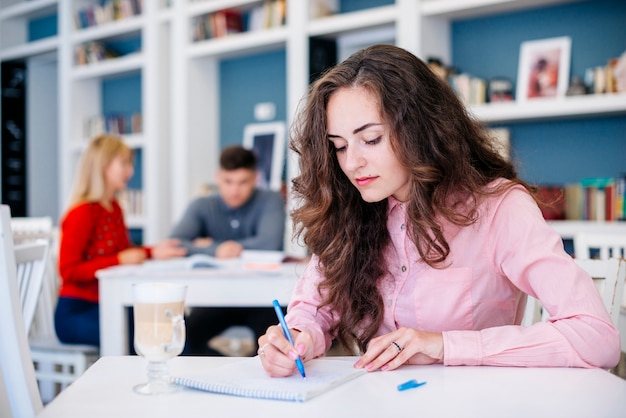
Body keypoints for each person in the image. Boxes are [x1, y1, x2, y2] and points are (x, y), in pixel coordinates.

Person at [257, 44, 620, 377]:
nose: (352, 163)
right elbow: (315, 309)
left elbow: (596, 336)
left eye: (371, 139)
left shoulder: (498, 208)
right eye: (338, 146)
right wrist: (299, 337)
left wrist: (442, 345)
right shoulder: (353, 208)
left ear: (419, 127)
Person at [55, 134, 186, 347]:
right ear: (103, 166)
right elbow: (68, 271)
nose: (131, 171)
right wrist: (119, 260)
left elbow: (123, 252)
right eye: (124, 163)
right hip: (77, 312)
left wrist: (152, 251)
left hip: (107, 305)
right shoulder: (81, 213)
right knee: (152, 333)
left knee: (166, 326)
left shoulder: (113, 208)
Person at [169, 145, 286, 355]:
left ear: (256, 177)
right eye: (228, 181)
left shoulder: (270, 200)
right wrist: (217, 250)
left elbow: (270, 243)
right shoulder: (201, 205)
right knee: (180, 341)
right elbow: (174, 244)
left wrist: (211, 246)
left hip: (262, 298)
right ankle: (227, 371)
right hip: (216, 298)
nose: (234, 190)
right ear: (217, 177)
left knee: (277, 348)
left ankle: (251, 378)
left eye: (243, 182)